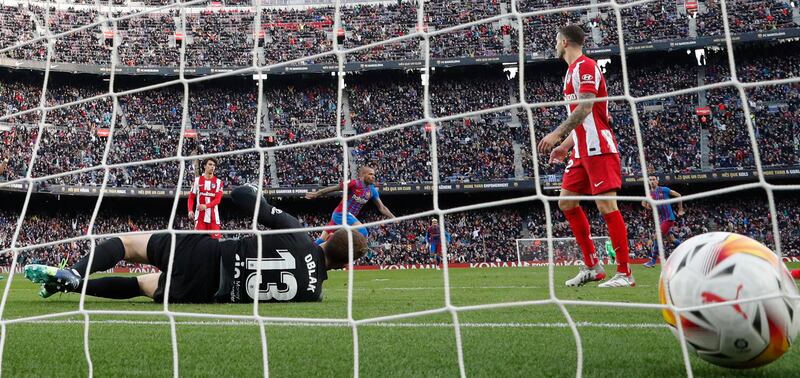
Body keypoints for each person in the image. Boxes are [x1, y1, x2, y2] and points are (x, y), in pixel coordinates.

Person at [23, 185, 368, 303]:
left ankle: (73, 273)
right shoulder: (313, 294)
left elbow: (241, 197)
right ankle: (72, 288)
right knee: (140, 285)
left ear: (326, 235)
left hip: (208, 253)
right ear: (346, 265)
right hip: (208, 292)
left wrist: (251, 189)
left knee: (126, 244)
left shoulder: (296, 232)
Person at [537, 25, 634, 288]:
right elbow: (583, 118)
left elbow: (587, 107)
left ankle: (625, 273)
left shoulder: (586, 66)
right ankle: (593, 266)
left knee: (606, 207)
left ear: (565, 42)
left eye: (557, 40)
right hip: (580, 149)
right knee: (566, 203)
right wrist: (566, 145)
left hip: (598, 147)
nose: (555, 44)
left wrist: (557, 134)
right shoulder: (569, 73)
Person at [305, 166, 395, 244]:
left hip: (346, 217)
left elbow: (382, 207)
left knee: (321, 240)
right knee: (363, 233)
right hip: (341, 213)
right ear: (363, 175)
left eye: (374, 174)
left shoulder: (372, 191)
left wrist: (393, 217)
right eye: (370, 174)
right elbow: (335, 188)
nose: (373, 177)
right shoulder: (354, 183)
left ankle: (308, 251)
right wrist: (317, 193)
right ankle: (344, 253)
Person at [642, 175, 684, 267]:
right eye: (650, 180)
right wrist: (648, 207)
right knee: (671, 240)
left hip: (669, 218)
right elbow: (643, 203)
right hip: (661, 220)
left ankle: (653, 260)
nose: (652, 181)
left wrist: (680, 209)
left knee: (657, 236)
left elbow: (679, 195)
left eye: (653, 179)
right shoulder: (649, 194)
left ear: (657, 181)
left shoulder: (664, 189)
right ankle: (685, 249)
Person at [188, 158, 224, 239]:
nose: (212, 167)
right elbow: (191, 197)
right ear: (204, 166)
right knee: (198, 243)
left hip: (214, 219)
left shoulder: (219, 182)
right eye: (210, 164)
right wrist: (190, 210)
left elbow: (218, 200)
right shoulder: (197, 181)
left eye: (214, 165)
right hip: (200, 218)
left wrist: (206, 206)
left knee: (215, 244)